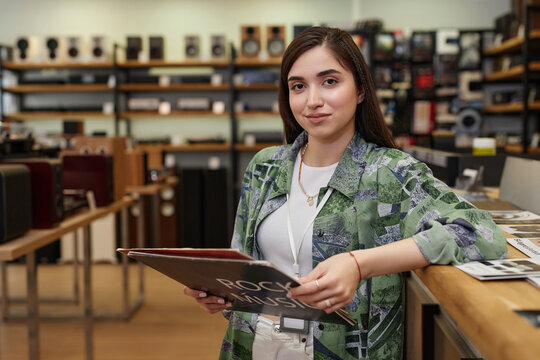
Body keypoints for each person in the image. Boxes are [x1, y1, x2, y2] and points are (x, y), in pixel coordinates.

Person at [184, 26, 507, 359]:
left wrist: (359, 264)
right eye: (298, 86)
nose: (312, 101)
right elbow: (243, 261)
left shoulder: (389, 171)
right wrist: (224, 293)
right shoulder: (266, 166)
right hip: (255, 345)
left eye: (330, 81)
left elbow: (480, 234)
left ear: (361, 90)